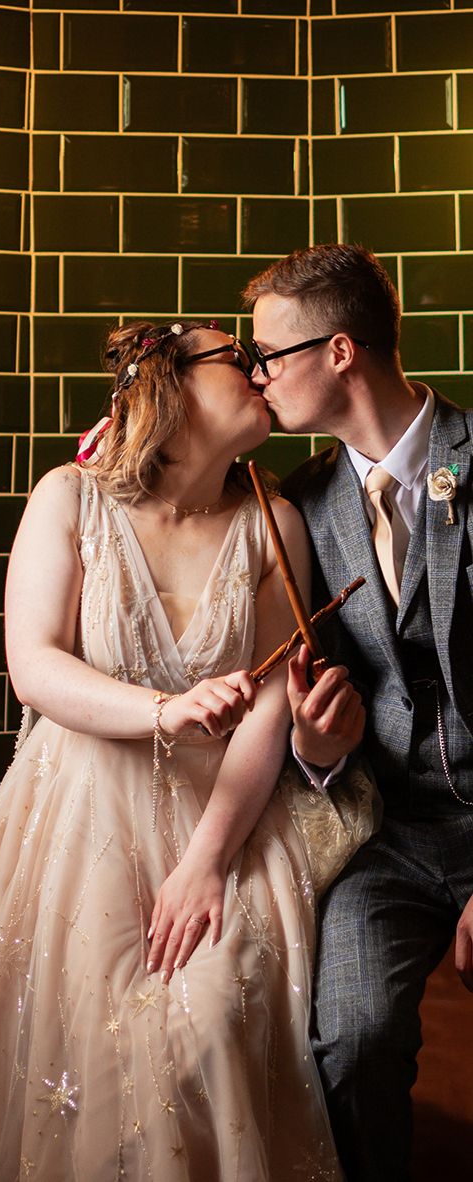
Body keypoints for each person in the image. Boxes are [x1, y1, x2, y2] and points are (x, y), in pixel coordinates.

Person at [0, 318, 376, 1181]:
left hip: (228, 815)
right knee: (93, 1046)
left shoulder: (276, 523)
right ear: (169, 382)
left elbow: (269, 713)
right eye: (235, 358)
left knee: (208, 1017)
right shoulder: (70, 497)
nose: (257, 369)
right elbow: (33, 666)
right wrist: (165, 710)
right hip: (82, 806)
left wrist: (205, 864)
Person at [243, 243, 473, 1182]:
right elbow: (318, 716)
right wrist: (317, 747)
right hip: (388, 836)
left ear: (339, 351)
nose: (258, 376)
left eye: (269, 354)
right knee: (349, 1036)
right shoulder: (300, 505)